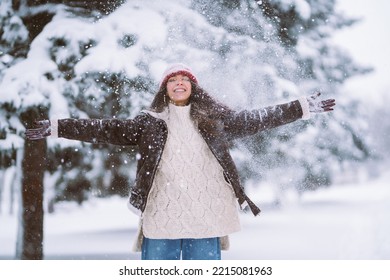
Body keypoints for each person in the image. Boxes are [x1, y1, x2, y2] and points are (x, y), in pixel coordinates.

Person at [25, 63, 335, 260]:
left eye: (184, 79)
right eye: (171, 80)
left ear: (193, 87)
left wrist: (299, 108)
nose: (178, 84)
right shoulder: (149, 122)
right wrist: (58, 127)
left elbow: (257, 118)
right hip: (162, 212)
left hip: (206, 211)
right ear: (164, 90)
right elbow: (105, 128)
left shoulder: (215, 120)